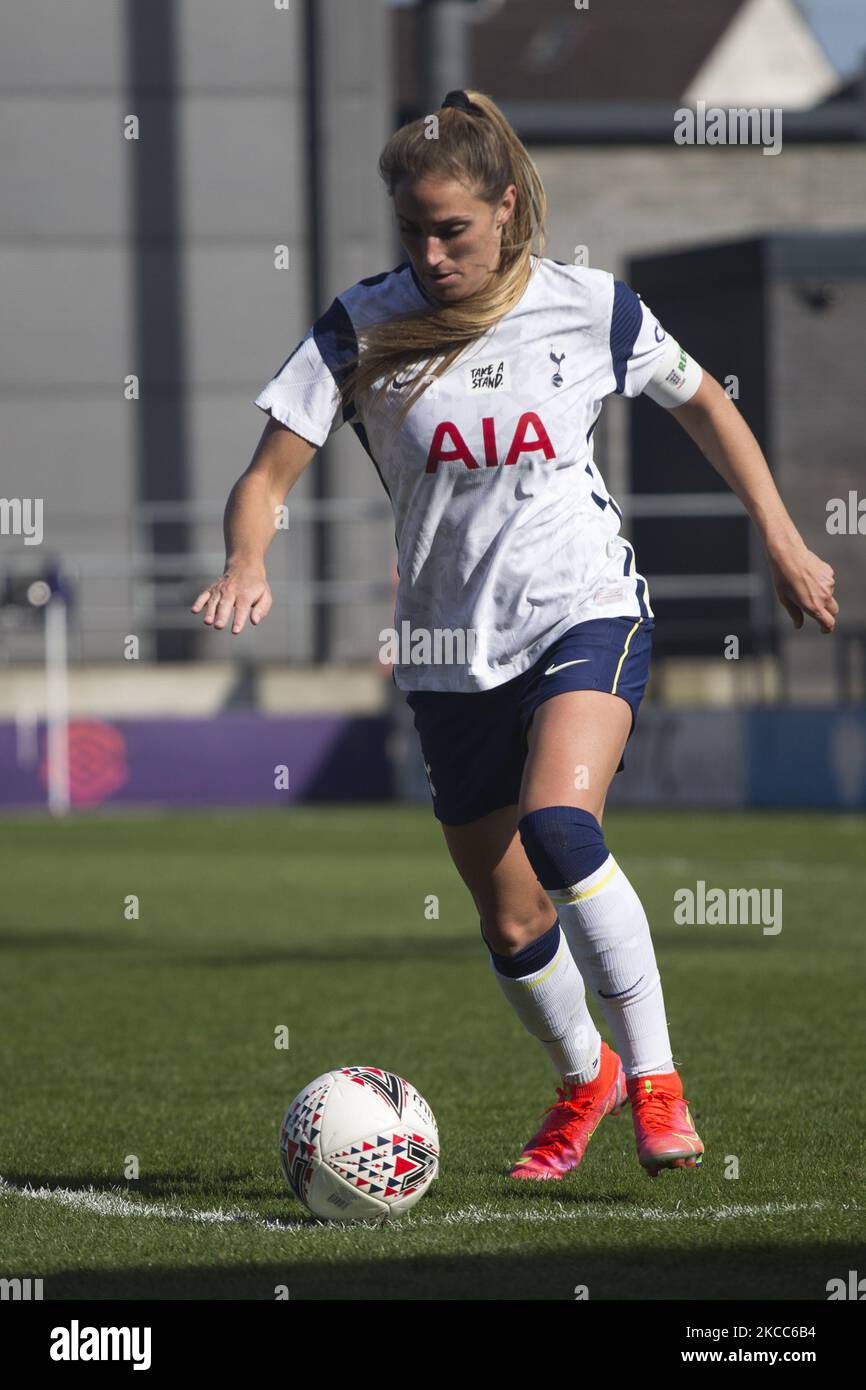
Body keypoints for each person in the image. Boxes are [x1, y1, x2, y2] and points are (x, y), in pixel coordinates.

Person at [192, 89, 837, 1182]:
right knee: (508, 920)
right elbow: (263, 477)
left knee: (559, 825)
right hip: (449, 650)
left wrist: (780, 536)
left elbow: (706, 406)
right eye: (413, 230)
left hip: (582, 607)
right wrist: (247, 557)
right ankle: (581, 1074)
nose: (432, 252)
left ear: (504, 207)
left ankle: (654, 1082)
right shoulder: (361, 325)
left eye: (452, 228)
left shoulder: (591, 306)